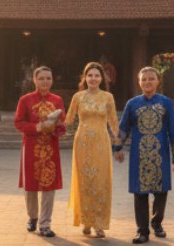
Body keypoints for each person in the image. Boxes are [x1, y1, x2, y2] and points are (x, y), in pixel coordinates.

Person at [115, 66, 174, 244]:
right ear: (139, 82)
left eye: (151, 78)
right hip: (139, 155)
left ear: (158, 81)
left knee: (161, 192)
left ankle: (157, 223)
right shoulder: (132, 104)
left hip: (161, 154)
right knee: (140, 193)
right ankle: (142, 230)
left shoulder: (166, 103)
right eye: (144, 79)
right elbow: (123, 129)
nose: (147, 82)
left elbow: (173, 130)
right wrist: (117, 148)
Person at [65, 61, 121, 238]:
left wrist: (118, 144)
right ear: (85, 77)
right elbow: (68, 121)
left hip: (101, 143)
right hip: (81, 143)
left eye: (97, 75)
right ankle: (86, 221)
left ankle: (99, 223)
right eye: (90, 75)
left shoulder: (108, 97)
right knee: (84, 181)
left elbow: (113, 122)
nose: (93, 78)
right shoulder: (78, 97)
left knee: (100, 180)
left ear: (102, 78)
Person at [14, 66, 66, 238]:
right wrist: (37, 127)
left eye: (48, 78)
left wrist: (56, 128)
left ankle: (45, 223)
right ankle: (32, 217)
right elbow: (18, 122)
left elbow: (62, 124)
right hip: (31, 147)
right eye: (42, 78)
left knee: (49, 186)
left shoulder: (57, 100)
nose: (45, 81)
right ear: (35, 80)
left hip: (50, 148)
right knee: (31, 186)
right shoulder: (25, 100)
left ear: (52, 80)